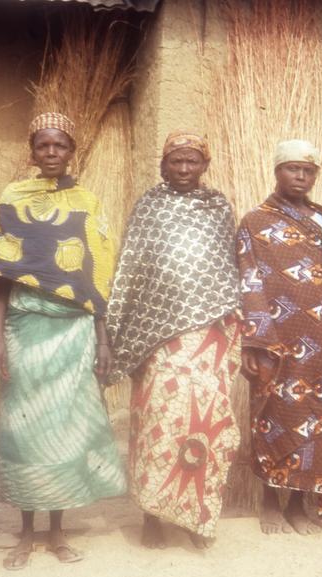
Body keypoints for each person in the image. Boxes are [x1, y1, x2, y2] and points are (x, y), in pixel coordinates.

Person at [0, 112, 127, 570]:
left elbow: (98, 274)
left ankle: (57, 532)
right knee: (25, 433)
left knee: (64, 431)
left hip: (73, 330)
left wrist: (102, 340)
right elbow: (1, 272)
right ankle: (26, 534)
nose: (51, 153)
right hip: (24, 327)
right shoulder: (13, 197)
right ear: (32, 152)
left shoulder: (87, 203)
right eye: (43, 145)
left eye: (59, 145)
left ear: (71, 152)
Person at [106, 131, 241, 550]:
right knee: (159, 424)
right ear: (163, 165)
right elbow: (130, 270)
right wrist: (120, 331)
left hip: (208, 340)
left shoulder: (218, 208)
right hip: (158, 341)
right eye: (176, 161)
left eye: (192, 161)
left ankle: (197, 517)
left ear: (205, 165)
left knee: (206, 424)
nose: (184, 169)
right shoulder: (149, 207)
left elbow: (229, 272)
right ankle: (152, 515)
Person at [237, 139, 322, 536]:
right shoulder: (254, 221)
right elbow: (248, 280)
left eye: (308, 171)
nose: (301, 177)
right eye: (293, 169)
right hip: (277, 338)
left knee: (317, 417)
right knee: (275, 416)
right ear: (277, 171)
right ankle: (270, 501)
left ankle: (297, 504)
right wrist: (254, 339)